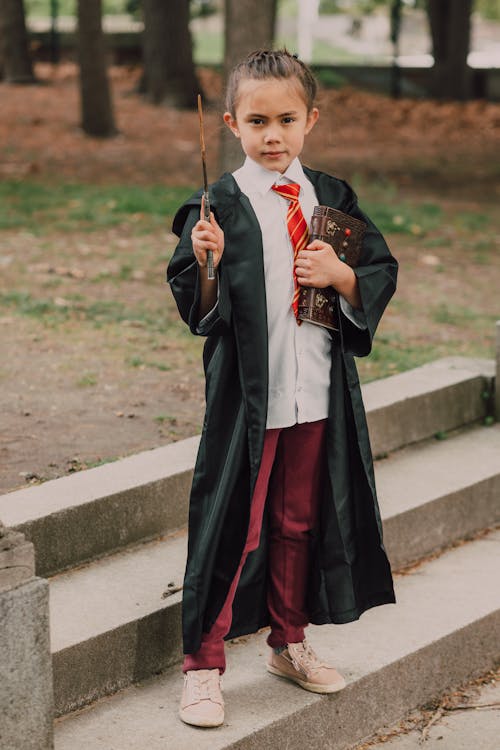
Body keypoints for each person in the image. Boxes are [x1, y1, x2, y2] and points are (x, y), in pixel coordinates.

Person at [167, 49, 398, 729]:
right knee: (232, 523)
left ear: (311, 121)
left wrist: (342, 275)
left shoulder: (333, 198)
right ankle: (204, 666)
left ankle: (288, 641)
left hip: (316, 392)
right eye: (257, 120)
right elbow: (198, 307)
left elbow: (377, 269)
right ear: (232, 124)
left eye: (286, 120)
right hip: (250, 399)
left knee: (299, 523)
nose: (273, 134)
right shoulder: (218, 209)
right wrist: (206, 266)